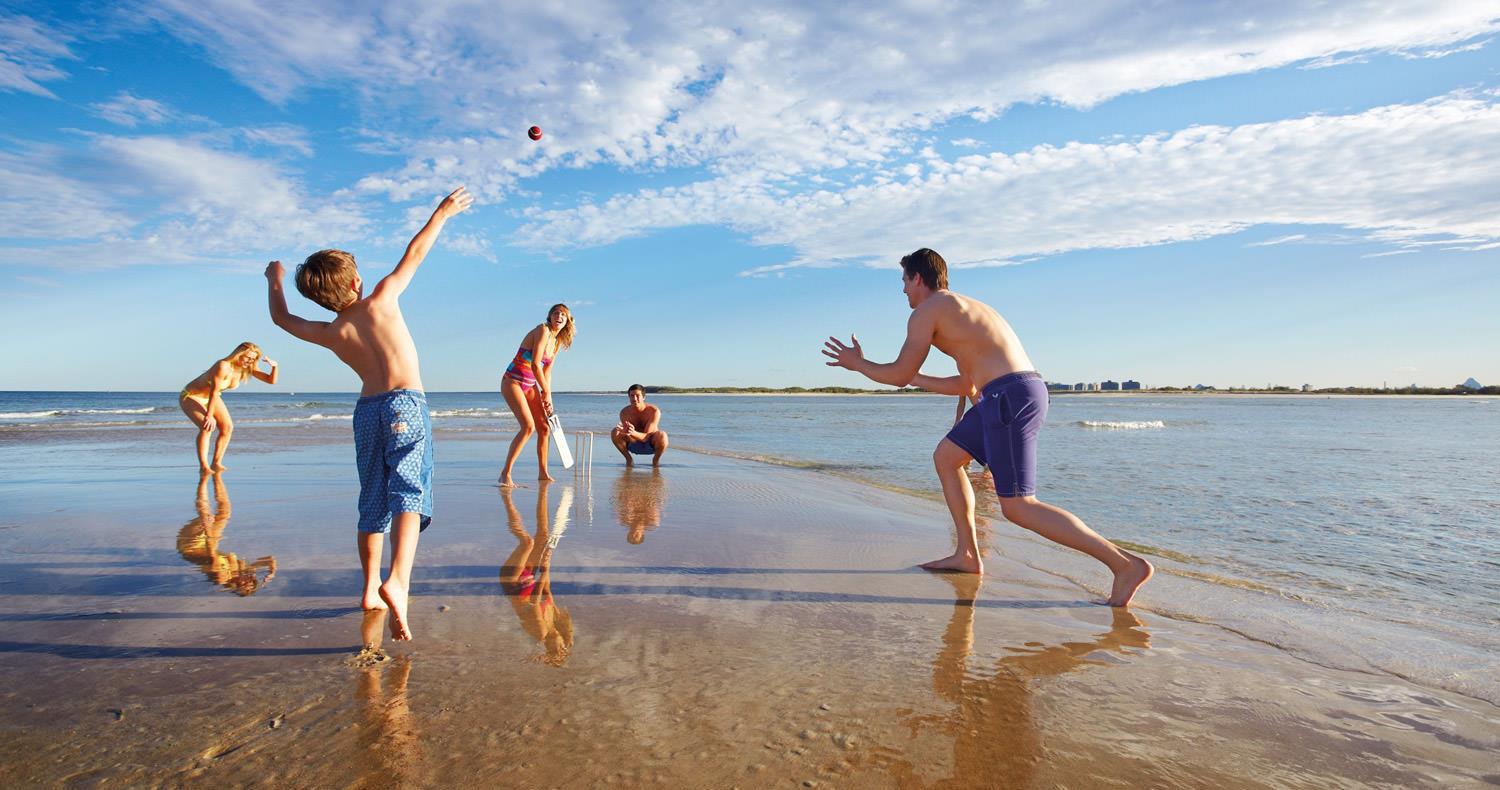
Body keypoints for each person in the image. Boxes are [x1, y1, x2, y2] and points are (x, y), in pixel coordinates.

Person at [821, 248, 1154, 607]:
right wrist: (911, 376)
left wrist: (859, 364)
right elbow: (965, 384)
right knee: (947, 458)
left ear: (918, 278)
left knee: (1019, 506)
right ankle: (967, 554)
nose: (903, 290)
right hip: (1011, 391)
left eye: (904, 280)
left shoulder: (927, 311)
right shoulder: (966, 310)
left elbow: (898, 375)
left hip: (1008, 396)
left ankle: (1123, 565)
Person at [265, 185, 473, 641]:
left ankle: (368, 589)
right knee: (409, 493)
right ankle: (397, 580)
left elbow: (281, 320)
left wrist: (273, 279)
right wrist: (443, 211)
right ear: (356, 281)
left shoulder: (330, 331)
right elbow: (415, 252)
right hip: (405, 404)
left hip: (366, 412)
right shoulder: (382, 300)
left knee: (373, 499)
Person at [498, 304, 576, 487]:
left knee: (544, 428)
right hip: (512, 381)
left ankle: (543, 473)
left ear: (567, 321)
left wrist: (548, 396)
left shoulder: (556, 342)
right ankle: (505, 474)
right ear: (550, 317)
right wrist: (546, 391)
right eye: (556, 313)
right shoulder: (542, 330)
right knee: (528, 427)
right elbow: (535, 364)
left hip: (530, 385)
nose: (559, 316)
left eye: (563, 315)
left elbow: (547, 371)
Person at [179, 342, 278, 472]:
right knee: (207, 426)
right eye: (247, 357)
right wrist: (209, 416)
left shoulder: (246, 367)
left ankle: (216, 463)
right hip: (192, 396)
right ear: (238, 354)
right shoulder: (223, 366)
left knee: (227, 427)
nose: (250, 361)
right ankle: (204, 466)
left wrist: (275, 367)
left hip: (211, 397)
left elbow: (271, 380)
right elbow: (214, 391)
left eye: (253, 359)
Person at [610, 384, 669, 466]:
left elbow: (646, 438)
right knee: (615, 432)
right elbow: (630, 437)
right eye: (632, 396)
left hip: (650, 444)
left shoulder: (654, 411)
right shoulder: (624, 412)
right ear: (629, 397)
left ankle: (655, 461)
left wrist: (632, 432)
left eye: (638, 396)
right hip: (633, 444)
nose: (634, 398)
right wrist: (625, 433)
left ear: (644, 397)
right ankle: (629, 460)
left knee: (662, 435)